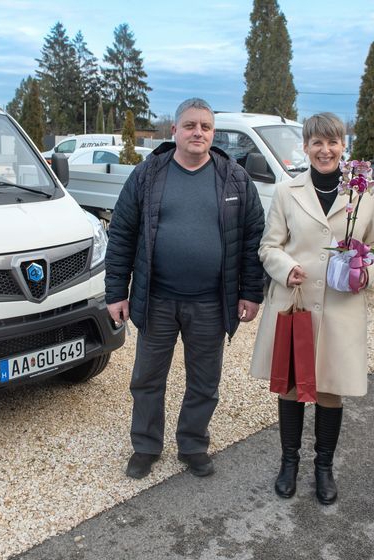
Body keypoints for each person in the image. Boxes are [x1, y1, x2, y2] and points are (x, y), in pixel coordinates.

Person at [105, 98, 265, 480]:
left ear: (213, 133)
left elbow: (252, 238)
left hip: (211, 302)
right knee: (147, 379)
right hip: (157, 298)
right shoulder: (148, 174)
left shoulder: (234, 178)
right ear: (173, 130)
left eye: (205, 127)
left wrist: (251, 292)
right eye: (190, 125)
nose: (198, 133)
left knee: (205, 381)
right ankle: (145, 446)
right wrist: (116, 292)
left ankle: (193, 444)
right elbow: (122, 234)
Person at [248, 113, 374, 503]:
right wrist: (284, 268)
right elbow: (268, 246)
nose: (325, 150)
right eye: (316, 143)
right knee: (291, 387)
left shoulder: (367, 191)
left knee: (330, 390)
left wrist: (367, 272)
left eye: (333, 142)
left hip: (341, 307)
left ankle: (323, 467)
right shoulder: (286, 190)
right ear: (305, 147)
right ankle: (288, 463)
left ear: (344, 146)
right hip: (295, 304)